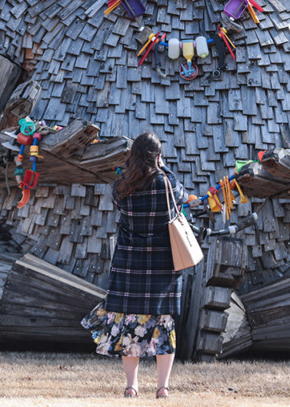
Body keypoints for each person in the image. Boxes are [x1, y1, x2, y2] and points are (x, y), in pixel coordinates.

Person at [81, 131, 192, 398]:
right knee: (164, 326)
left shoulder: (121, 186)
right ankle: (162, 388)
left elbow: (119, 203)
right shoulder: (166, 182)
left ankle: (132, 386)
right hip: (162, 264)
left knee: (130, 326)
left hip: (129, 265)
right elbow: (182, 196)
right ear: (158, 156)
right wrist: (163, 168)